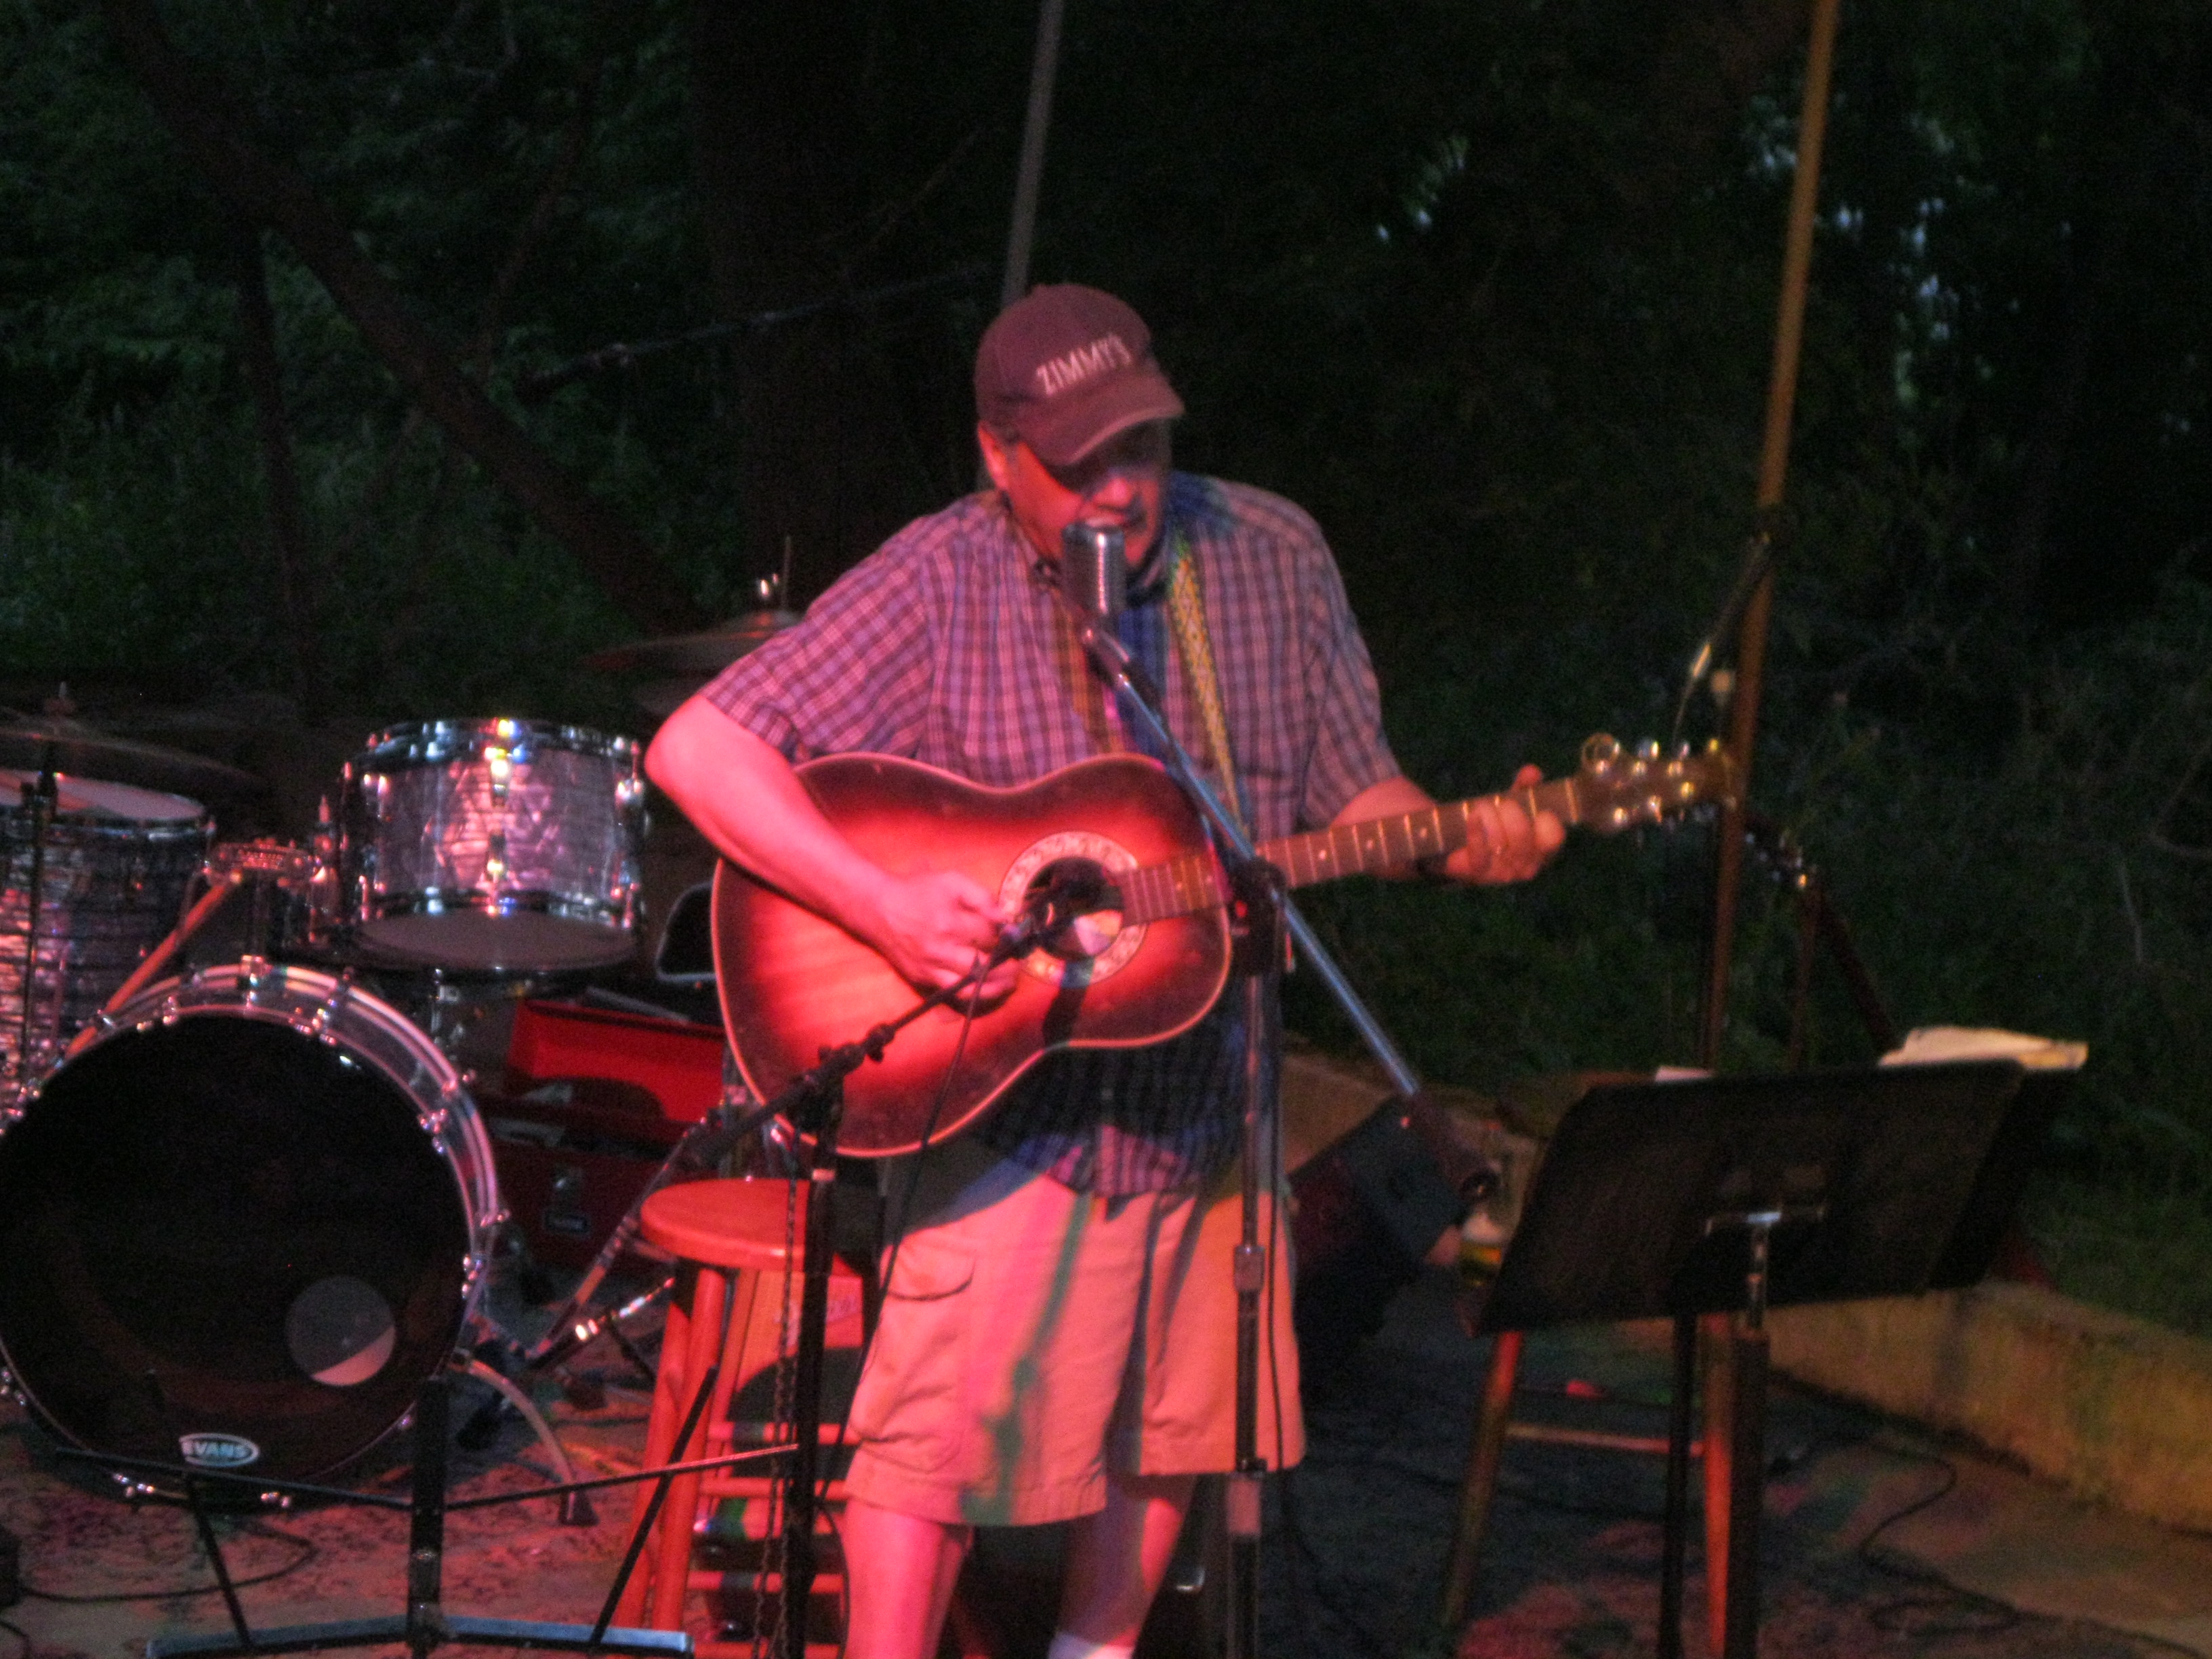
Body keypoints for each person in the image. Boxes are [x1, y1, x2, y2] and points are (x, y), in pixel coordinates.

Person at [646, 283, 1563, 1659]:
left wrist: (1456, 840)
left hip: (1209, 1095)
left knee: (1173, 1422)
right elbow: (699, 749)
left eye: (1143, 445)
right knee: (932, 1456)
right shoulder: (940, 577)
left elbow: (1354, 792)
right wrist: (885, 908)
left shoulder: (1270, 555)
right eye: (1080, 464)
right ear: (996, 455)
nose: (1122, 490)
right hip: (1016, 1106)